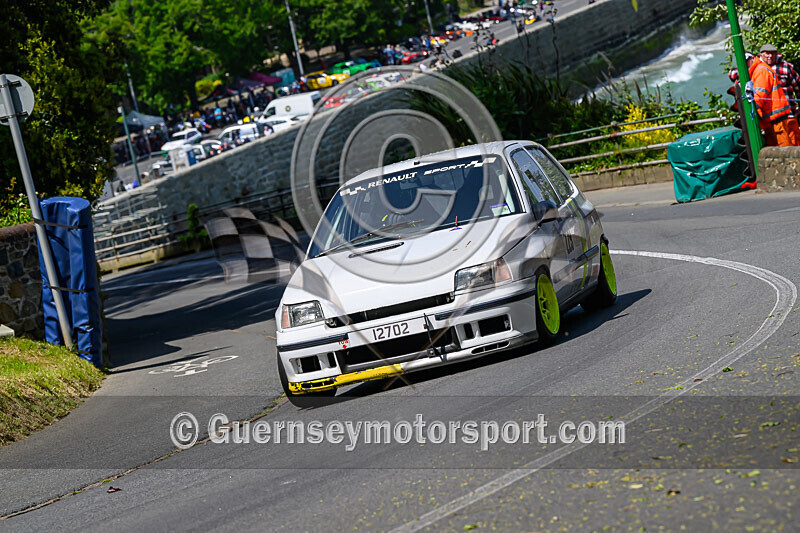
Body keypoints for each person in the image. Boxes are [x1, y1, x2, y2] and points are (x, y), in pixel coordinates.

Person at [749, 44, 800, 147]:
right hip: (772, 120)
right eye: (767, 53)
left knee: (794, 146)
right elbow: (733, 74)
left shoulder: (785, 67)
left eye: (772, 53)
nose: (770, 56)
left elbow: (798, 86)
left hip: (789, 115)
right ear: (761, 55)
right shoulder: (759, 69)